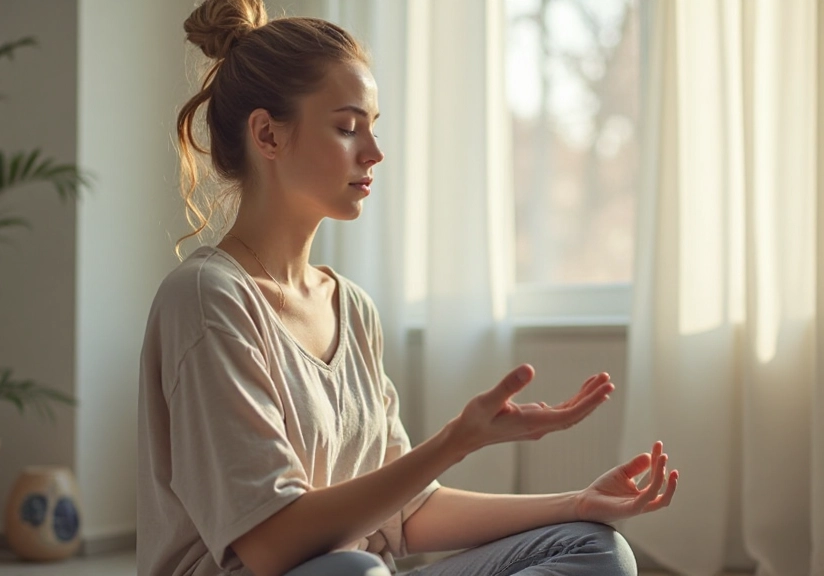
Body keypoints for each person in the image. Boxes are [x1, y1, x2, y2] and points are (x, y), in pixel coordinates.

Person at [136, 1, 679, 575]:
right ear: (268, 134)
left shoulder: (353, 308)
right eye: (347, 127)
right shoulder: (206, 298)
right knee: (355, 571)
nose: (373, 151)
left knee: (594, 546)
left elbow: (407, 515)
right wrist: (454, 442)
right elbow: (270, 547)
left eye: (373, 126)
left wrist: (575, 503)